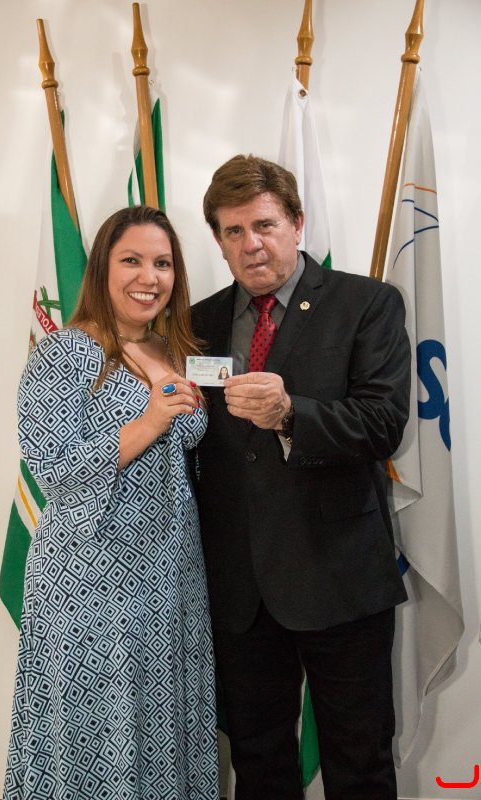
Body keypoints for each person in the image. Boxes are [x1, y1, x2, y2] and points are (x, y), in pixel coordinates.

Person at [191, 155, 411, 800]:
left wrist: (291, 415)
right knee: (259, 765)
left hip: (339, 575)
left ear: (296, 222)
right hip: (240, 590)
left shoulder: (366, 303)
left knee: (360, 764)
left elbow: (383, 424)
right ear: (218, 240)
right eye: (233, 231)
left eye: (264, 225)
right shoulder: (198, 323)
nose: (251, 245)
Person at [4, 206, 219, 800]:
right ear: (102, 268)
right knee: (96, 731)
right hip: (88, 580)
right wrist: (148, 421)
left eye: (163, 263)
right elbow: (53, 470)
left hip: (171, 576)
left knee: (165, 726)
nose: (149, 277)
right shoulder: (64, 354)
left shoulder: (179, 352)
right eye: (132, 260)